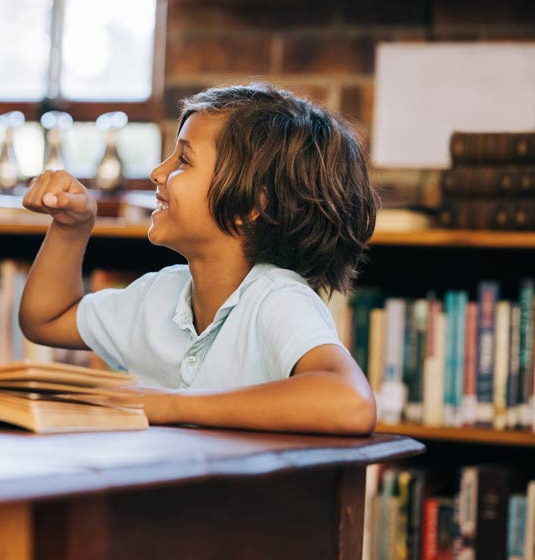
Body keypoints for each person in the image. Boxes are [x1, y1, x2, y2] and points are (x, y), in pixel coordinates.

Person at [19, 83, 378, 435]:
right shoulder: (157, 295)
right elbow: (45, 320)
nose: (157, 172)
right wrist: (72, 228)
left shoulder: (277, 300)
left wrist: (168, 405)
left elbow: (351, 402)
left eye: (184, 160)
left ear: (251, 206)